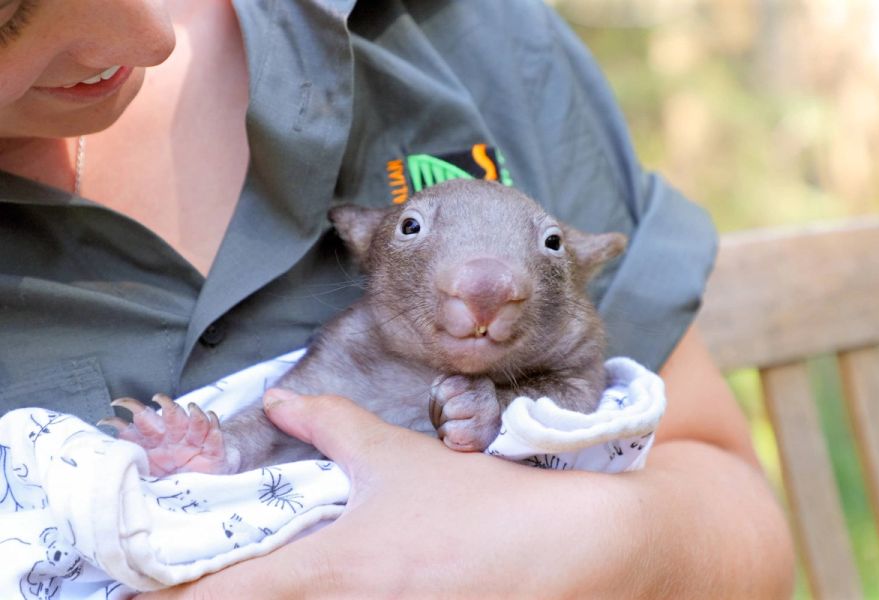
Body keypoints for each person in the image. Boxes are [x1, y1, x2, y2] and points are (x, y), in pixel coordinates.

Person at [0, 0, 794, 597]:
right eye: (11, 19)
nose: (152, 35)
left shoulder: (455, 29)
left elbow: (733, 510)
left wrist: (575, 537)